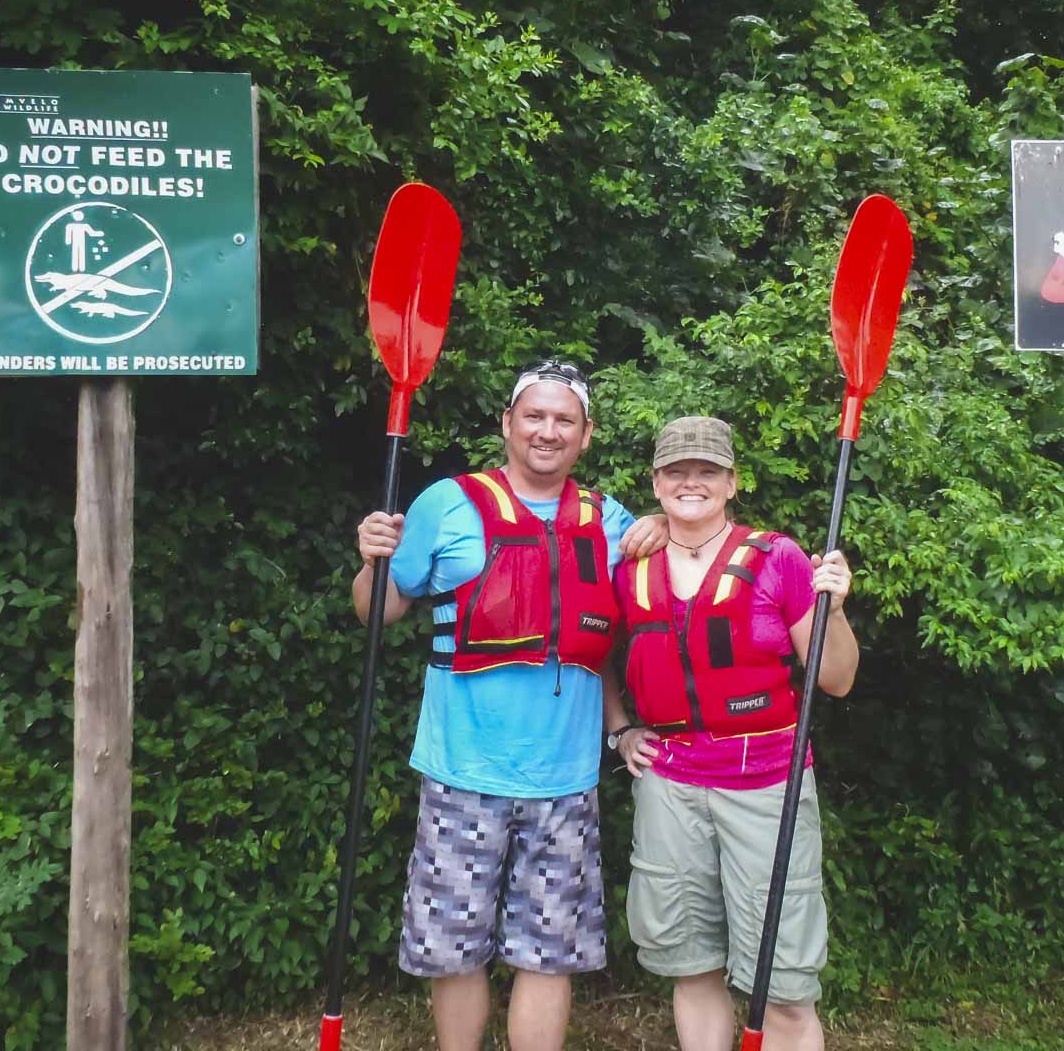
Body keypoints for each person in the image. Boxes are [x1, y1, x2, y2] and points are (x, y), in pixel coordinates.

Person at [353, 359, 664, 1051]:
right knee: (452, 948)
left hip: (566, 780)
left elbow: (621, 624)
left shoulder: (611, 522)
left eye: (564, 421)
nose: (547, 432)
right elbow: (381, 613)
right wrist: (372, 561)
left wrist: (659, 527)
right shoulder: (447, 505)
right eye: (535, 416)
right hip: (463, 769)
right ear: (508, 424)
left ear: (585, 436)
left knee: (548, 952)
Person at [603, 416, 857, 1051]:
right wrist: (621, 729)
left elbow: (837, 679)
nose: (692, 482)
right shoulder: (631, 562)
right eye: (676, 471)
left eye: (707, 471)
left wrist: (837, 607)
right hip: (670, 785)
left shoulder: (780, 558)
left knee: (786, 986)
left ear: (732, 482)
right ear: (656, 483)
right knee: (691, 968)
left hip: (767, 784)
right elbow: (597, 655)